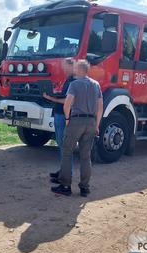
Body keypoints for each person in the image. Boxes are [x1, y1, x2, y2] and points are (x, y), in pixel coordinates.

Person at [51, 60, 103, 197]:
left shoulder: (74, 84)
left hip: (76, 120)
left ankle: (65, 185)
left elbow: (67, 105)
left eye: (75, 68)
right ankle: (85, 188)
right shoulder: (96, 85)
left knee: (67, 152)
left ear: (79, 70)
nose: (73, 70)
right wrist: (97, 124)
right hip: (91, 122)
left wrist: (67, 119)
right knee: (86, 156)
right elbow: (100, 107)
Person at [43, 58, 75, 179]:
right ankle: (63, 171)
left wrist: (52, 98)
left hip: (63, 115)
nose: (63, 68)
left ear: (71, 66)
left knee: (65, 146)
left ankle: (67, 173)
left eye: (65, 66)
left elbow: (68, 100)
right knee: (61, 144)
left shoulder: (73, 81)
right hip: (59, 114)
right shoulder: (68, 80)